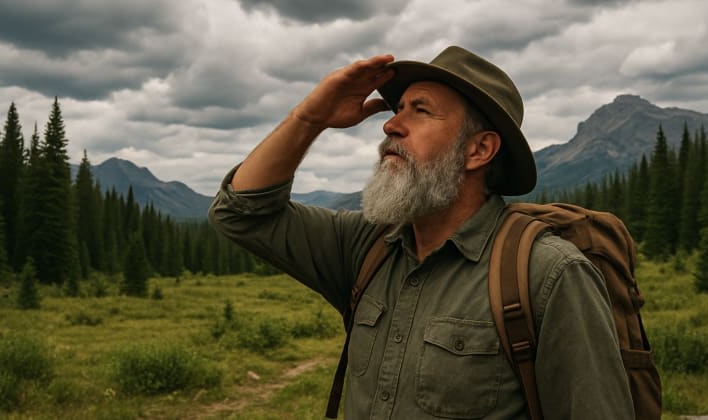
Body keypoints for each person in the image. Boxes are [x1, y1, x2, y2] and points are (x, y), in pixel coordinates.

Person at [209, 46, 634, 419]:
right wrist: (309, 117)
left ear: (479, 150)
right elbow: (242, 214)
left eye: (421, 110)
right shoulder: (366, 248)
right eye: (399, 110)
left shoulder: (548, 274)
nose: (391, 126)